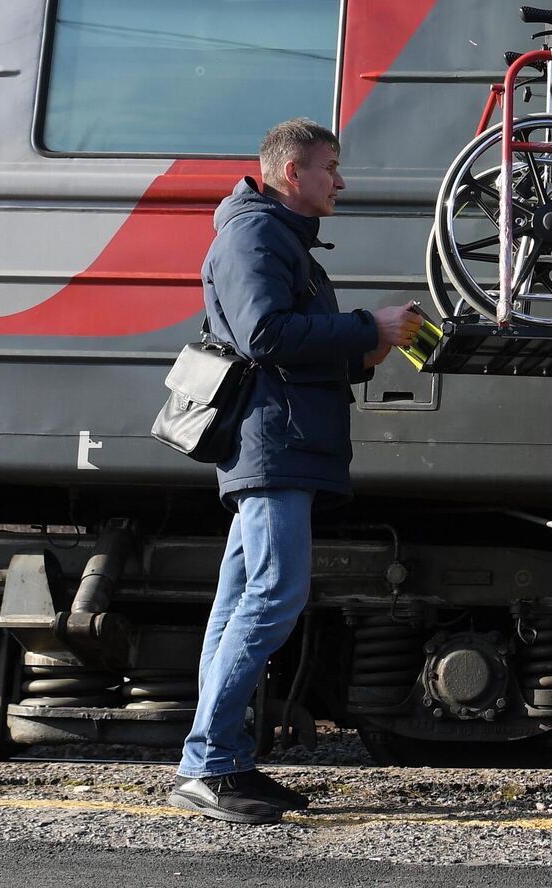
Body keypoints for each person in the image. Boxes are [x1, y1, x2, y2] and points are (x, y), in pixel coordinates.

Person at [170, 119, 421, 825]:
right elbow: (264, 335)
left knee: (239, 604)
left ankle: (214, 760)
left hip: (281, 441)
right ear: (291, 173)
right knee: (275, 593)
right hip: (271, 443)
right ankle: (210, 762)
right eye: (330, 168)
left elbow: (296, 345)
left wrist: (371, 348)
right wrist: (366, 327)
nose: (340, 181)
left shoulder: (282, 241)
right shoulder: (255, 236)